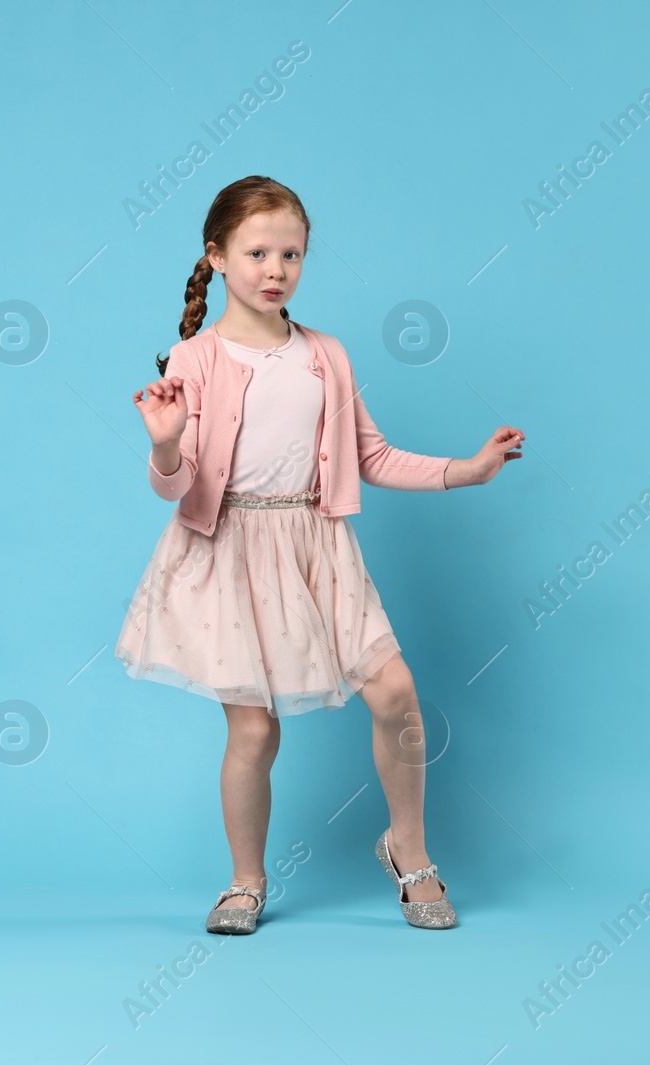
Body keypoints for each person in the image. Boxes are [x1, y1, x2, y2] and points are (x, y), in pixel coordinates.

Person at [116, 175, 525, 934]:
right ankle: (244, 880)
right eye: (258, 252)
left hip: (317, 545)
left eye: (292, 254)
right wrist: (166, 444)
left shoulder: (325, 355)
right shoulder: (192, 359)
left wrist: (464, 470)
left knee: (397, 692)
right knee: (255, 730)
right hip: (229, 547)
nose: (276, 269)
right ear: (217, 255)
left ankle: (409, 848)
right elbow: (173, 486)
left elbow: (370, 454)